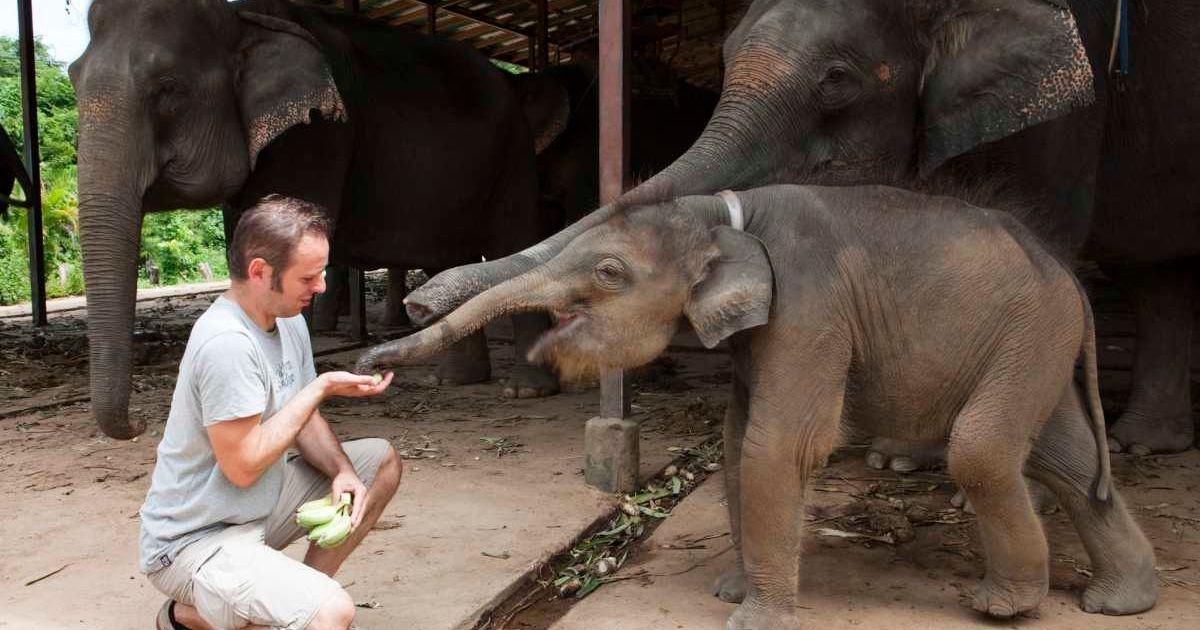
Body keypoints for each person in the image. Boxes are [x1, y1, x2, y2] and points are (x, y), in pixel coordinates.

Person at [139, 195, 400, 630]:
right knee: (333, 613)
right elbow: (242, 466)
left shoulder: (287, 317)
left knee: (378, 463)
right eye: (308, 277)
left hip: (256, 508)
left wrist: (341, 470)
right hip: (194, 540)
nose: (320, 287)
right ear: (260, 272)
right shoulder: (227, 344)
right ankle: (204, 612)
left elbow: (299, 416)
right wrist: (320, 387)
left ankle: (275, 609)